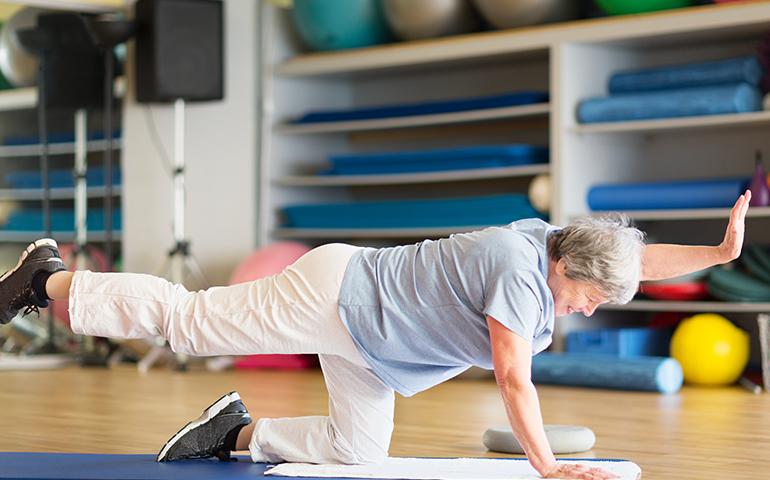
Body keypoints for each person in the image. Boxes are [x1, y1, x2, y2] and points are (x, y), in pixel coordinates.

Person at [0, 190, 751, 480]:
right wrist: (548, 468)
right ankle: (48, 280)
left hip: (374, 344)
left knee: (359, 453)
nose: (589, 309)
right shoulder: (520, 278)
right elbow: (514, 379)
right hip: (338, 298)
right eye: (590, 299)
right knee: (192, 322)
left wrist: (716, 254)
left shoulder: (559, 244)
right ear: (568, 270)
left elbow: (632, 259)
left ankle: (233, 433)